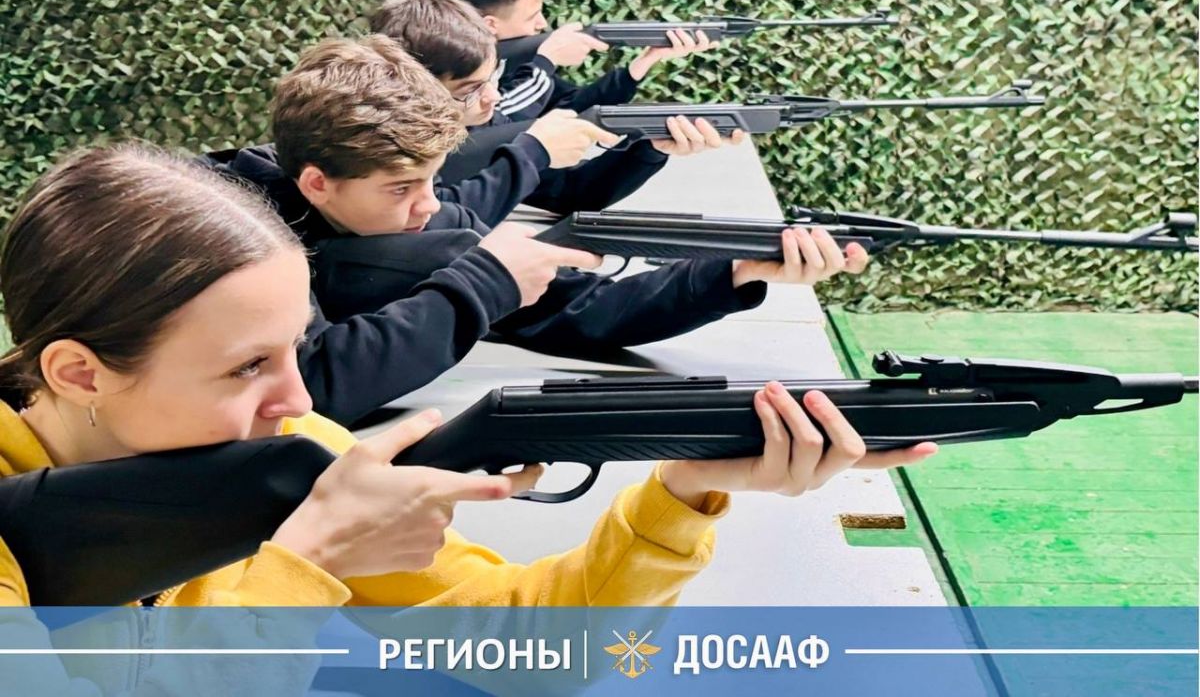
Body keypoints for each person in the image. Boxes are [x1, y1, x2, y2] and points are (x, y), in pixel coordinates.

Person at [0, 142, 938, 614]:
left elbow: (527, 643)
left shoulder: (287, 454)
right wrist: (308, 561)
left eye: (298, 346)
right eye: (248, 365)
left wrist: (684, 492)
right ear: (79, 372)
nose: (301, 400)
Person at [218, 35, 870, 427]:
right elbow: (306, 389)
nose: (428, 207)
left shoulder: (412, 214)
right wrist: (479, 287)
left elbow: (582, 311)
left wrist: (736, 270)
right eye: (401, 189)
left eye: (433, 179)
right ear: (316, 183)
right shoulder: (225, 233)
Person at [368, 0, 732, 211]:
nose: (494, 96)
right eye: (469, 89)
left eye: (491, 80)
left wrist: (650, 147)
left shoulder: (479, 120)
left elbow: (566, 191)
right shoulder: (382, 166)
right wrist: (545, 62)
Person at [455, 0, 715, 120]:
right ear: (491, 25)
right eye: (531, 17)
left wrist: (644, 63)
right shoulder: (453, 65)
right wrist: (545, 61)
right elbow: (496, 120)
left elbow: (572, 106)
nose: (542, 24)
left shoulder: (516, 61)